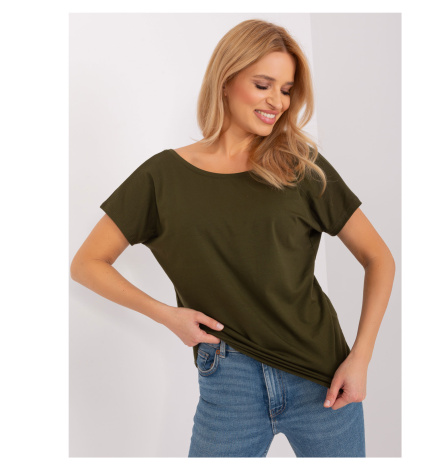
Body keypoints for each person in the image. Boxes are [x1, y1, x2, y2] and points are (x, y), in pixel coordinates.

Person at [70, 19, 395, 458]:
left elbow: (379, 257)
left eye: (286, 89)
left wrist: (361, 357)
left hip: (322, 378)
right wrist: (168, 316)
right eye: (263, 84)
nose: (277, 101)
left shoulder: (300, 166)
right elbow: (87, 263)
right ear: (226, 81)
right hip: (229, 380)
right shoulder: (162, 177)